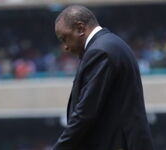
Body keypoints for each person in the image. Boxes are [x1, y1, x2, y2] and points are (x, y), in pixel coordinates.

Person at [53, 5, 154, 150]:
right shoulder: (110, 43)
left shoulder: (100, 51)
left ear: (80, 28)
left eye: (65, 38)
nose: (65, 47)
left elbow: (86, 112)